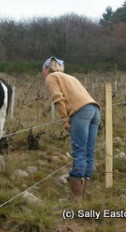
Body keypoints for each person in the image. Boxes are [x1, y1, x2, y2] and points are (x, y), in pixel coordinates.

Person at [42, 56, 100, 201]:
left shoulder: (51, 77)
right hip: (95, 110)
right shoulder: (70, 77)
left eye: (43, 68)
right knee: (89, 151)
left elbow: (58, 98)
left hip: (80, 112)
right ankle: (84, 191)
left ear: (47, 68)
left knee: (79, 151)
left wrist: (65, 120)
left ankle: (75, 196)